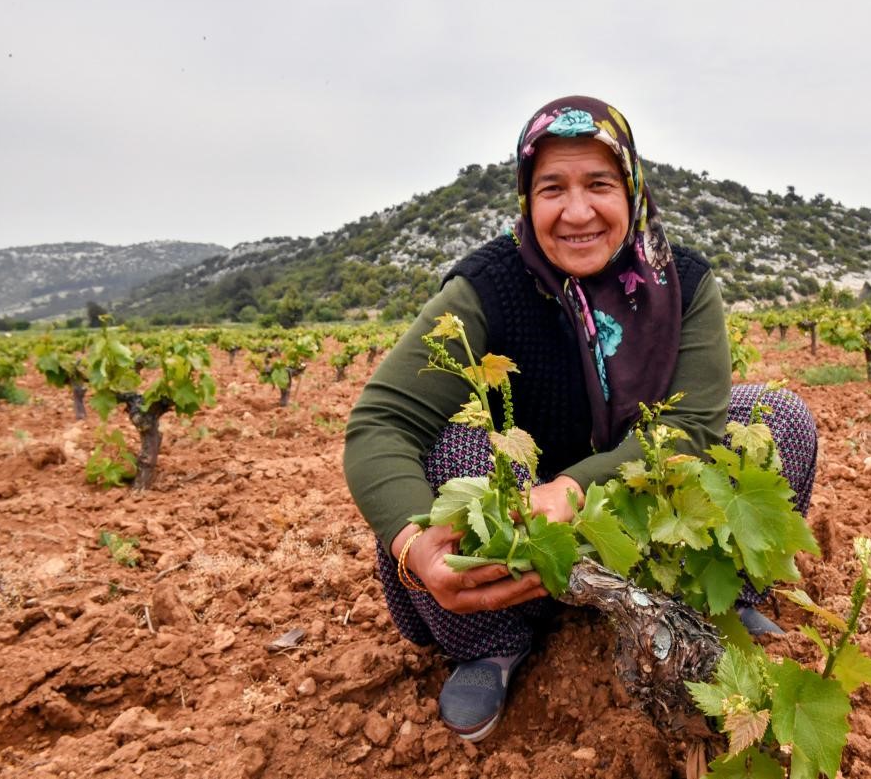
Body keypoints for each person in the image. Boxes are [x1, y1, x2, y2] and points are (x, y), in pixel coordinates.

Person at [343, 95, 817, 742]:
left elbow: (692, 430)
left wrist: (572, 487)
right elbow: (380, 423)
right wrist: (408, 544)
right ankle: (493, 640)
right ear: (525, 199)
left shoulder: (684, 283)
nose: (576, 211)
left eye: (599, 183)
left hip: (646, 524)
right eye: (551, 188)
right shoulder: (488, 287)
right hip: (526, 543)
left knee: (776, 416)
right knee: (452, 443)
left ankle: (721, 598)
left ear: (632, 187)